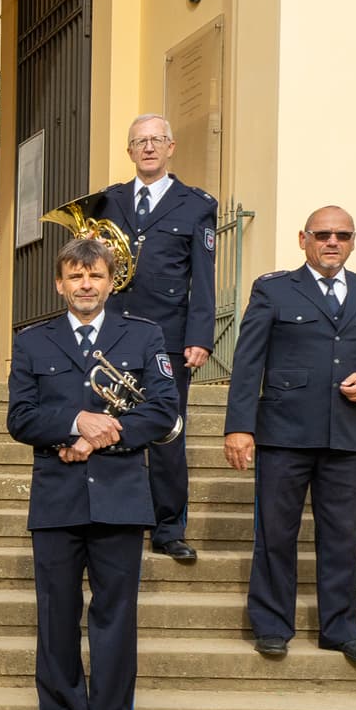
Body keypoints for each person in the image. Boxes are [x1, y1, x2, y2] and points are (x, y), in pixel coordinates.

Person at [6, 237, 179, 710]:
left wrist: (101, 436)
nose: (86, 285)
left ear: (111, 282)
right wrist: (76, 422)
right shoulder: (33, 342)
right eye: (76, 276)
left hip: (122, 499)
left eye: (95, 276)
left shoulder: (145, 335)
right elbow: (20, 418)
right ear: (60, 284)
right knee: (56, 618)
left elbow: (164, 411)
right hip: (57, 499)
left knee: (116, 619)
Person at [223, 206, 356, 665]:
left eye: (342, 235)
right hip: (284, 433)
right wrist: (239, 427)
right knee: (275, 534)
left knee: (342, 538)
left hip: (346, 435)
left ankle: (341, 630)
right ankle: (271, 625)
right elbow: (249, 363)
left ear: (353, 241)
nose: (333, 242)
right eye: (323, 234)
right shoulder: (273, 290)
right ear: (303, 239)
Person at [102, 113, 219, 564]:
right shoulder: (109, 201)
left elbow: (203, 279)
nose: (148, 148)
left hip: (168, 335)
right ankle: (118, 516)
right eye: (139, 141)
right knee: (110, 424)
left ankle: (169, 528)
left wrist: (200, 337)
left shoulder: (195, 204)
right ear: (130, 151)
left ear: (171, 147)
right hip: (113, 331)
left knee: (168, 433)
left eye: (157, 140)